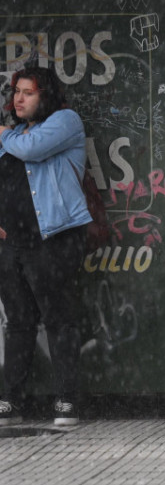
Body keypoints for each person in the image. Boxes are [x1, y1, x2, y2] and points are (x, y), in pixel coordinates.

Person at [0, 66, 92, 427]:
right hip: (13, 242)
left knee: (59, 319)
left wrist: (3, 135)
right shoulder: (15, 133)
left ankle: (67, 399)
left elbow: (33, 150)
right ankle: (10, 399)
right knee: (18, 321)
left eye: (28, 92)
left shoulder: (65, 121)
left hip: (54, 237)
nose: (18, 99)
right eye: (17, 92)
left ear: (46, 96)